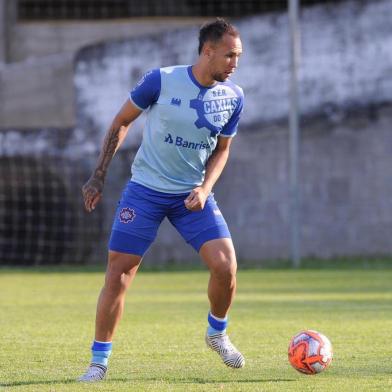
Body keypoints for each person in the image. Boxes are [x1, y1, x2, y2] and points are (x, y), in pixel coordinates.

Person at [79, 17, 245, 382]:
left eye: (239, 56)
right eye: (230, 55)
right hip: (146, 192)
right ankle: (98, 363)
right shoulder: (161, 80)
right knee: (119, 274)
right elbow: (121, 122)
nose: (235, 63)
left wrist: (204, 188)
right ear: (207, 51)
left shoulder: (233, 96)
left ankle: (217, 332)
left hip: (192, 196)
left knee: (225, 267)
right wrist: (99, 174)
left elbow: (222, 150)